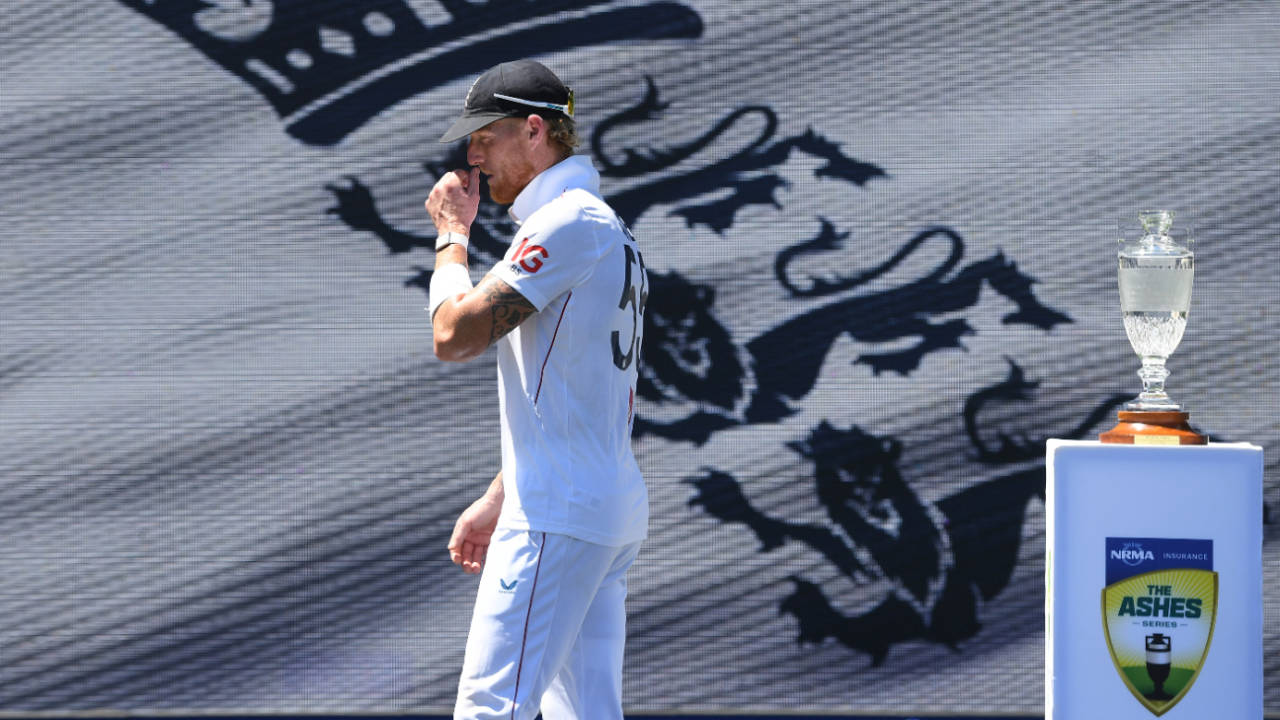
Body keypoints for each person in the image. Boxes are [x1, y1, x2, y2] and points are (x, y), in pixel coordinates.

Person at [424, 59, 649, 720]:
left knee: (492, 712)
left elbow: (454, 335)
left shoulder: (572, 222)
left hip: (560, 512)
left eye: (484, 135)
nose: (472, 153)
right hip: (593, 506)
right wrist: (503, 492)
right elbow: (576, 392)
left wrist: (451, 238)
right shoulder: (601, 225)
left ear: (532, 130)